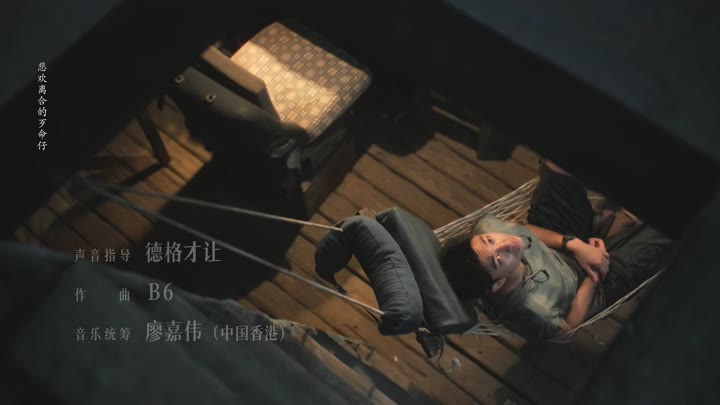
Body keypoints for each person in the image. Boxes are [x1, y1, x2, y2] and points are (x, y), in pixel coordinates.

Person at [440, 160, 675, 340]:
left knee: (557, 163)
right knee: (673, 223)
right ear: (498, 284)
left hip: (561, 243)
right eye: (499, 259)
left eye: (490, 241)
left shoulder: (485, 229)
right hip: (591, 283)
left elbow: (524, 230)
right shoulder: (532, 310)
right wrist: (593, 275)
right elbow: (568, 328)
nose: (507, 243)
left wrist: (574, 245)